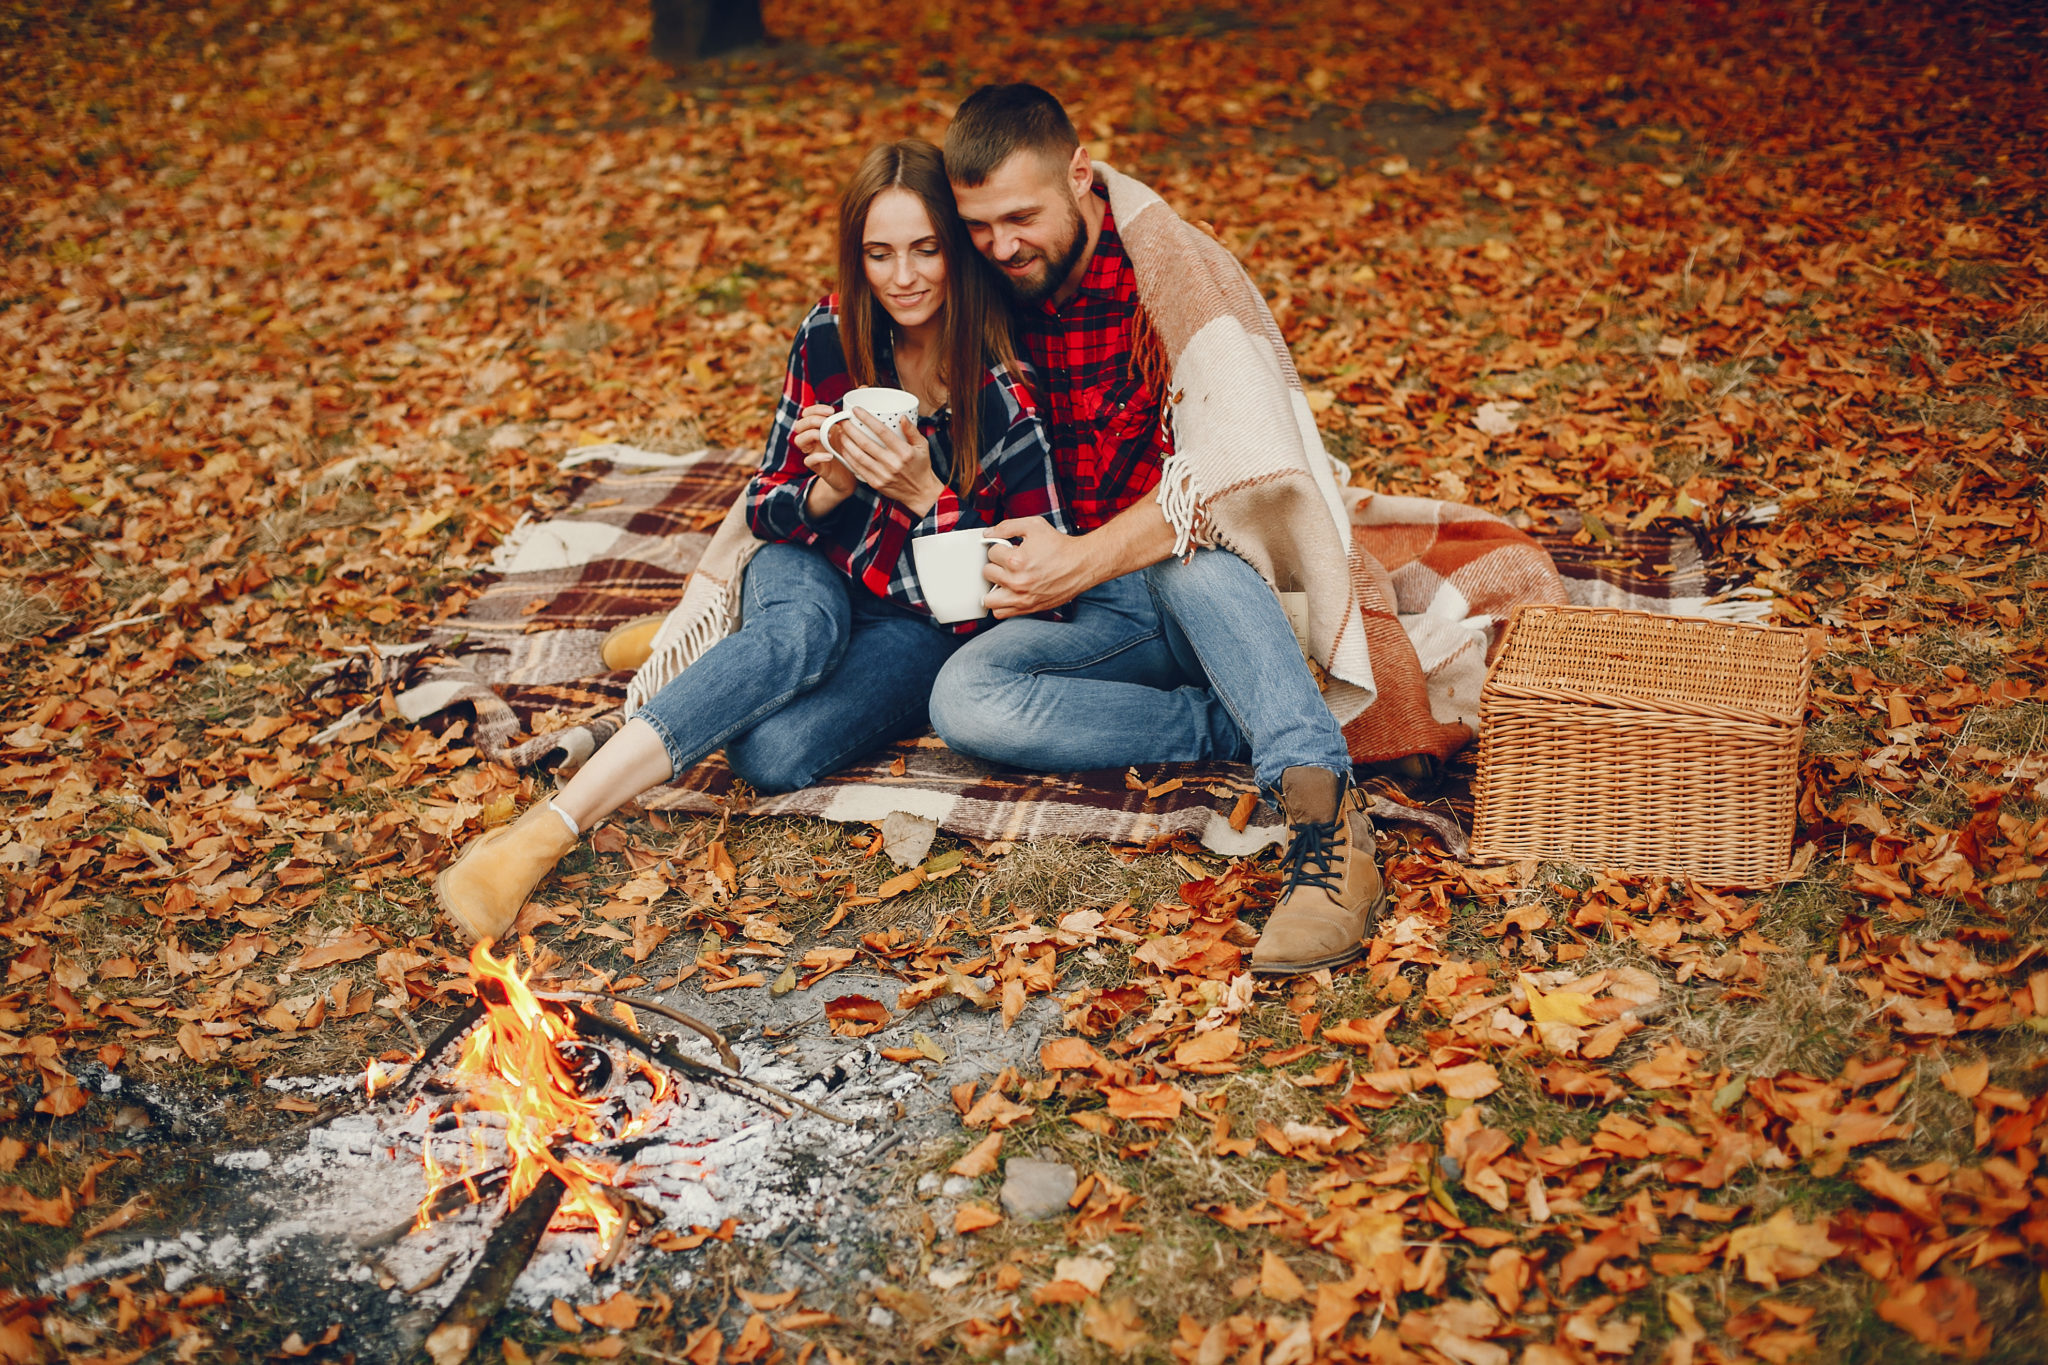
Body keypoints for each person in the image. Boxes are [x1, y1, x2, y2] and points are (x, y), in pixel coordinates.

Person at [436, 139, 1065, 944]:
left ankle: (713, 653)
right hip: (811, 568)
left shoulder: (1003, 386)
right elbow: (767, 510)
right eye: (879, 253)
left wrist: (925, 497)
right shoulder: (832, 334)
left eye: (925, 250)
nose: (902, 277)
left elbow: (1018, 593)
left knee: (772, 754)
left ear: (959, 252)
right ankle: (549, 829)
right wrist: (830, 487)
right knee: (799, 631)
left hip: (917, 624)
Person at [929, 84, 1383, 976]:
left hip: (1213, 588)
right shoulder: (986, 287)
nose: (1000, 244)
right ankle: (1229, 720)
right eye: (978, 225)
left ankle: (1327, 818)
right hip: (1100, 612)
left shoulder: (1172, 274)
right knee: (963, 699)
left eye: (1020, 216)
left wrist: (1084, 559)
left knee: (1192, 563)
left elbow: (1229, 477)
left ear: (1082, 174)